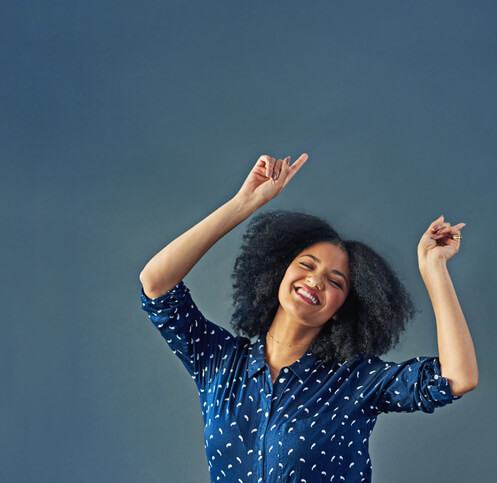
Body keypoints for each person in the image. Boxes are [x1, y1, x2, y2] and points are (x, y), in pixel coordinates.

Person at [139, 153, 478, 482]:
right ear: (276, 272)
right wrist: (244, 203)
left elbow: (457, 378)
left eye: (335, 282)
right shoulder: (221, 364)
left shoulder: (355, 382)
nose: (316, 281)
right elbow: (156, 283)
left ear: (341, 309)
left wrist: (434, 271)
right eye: (307, 265)